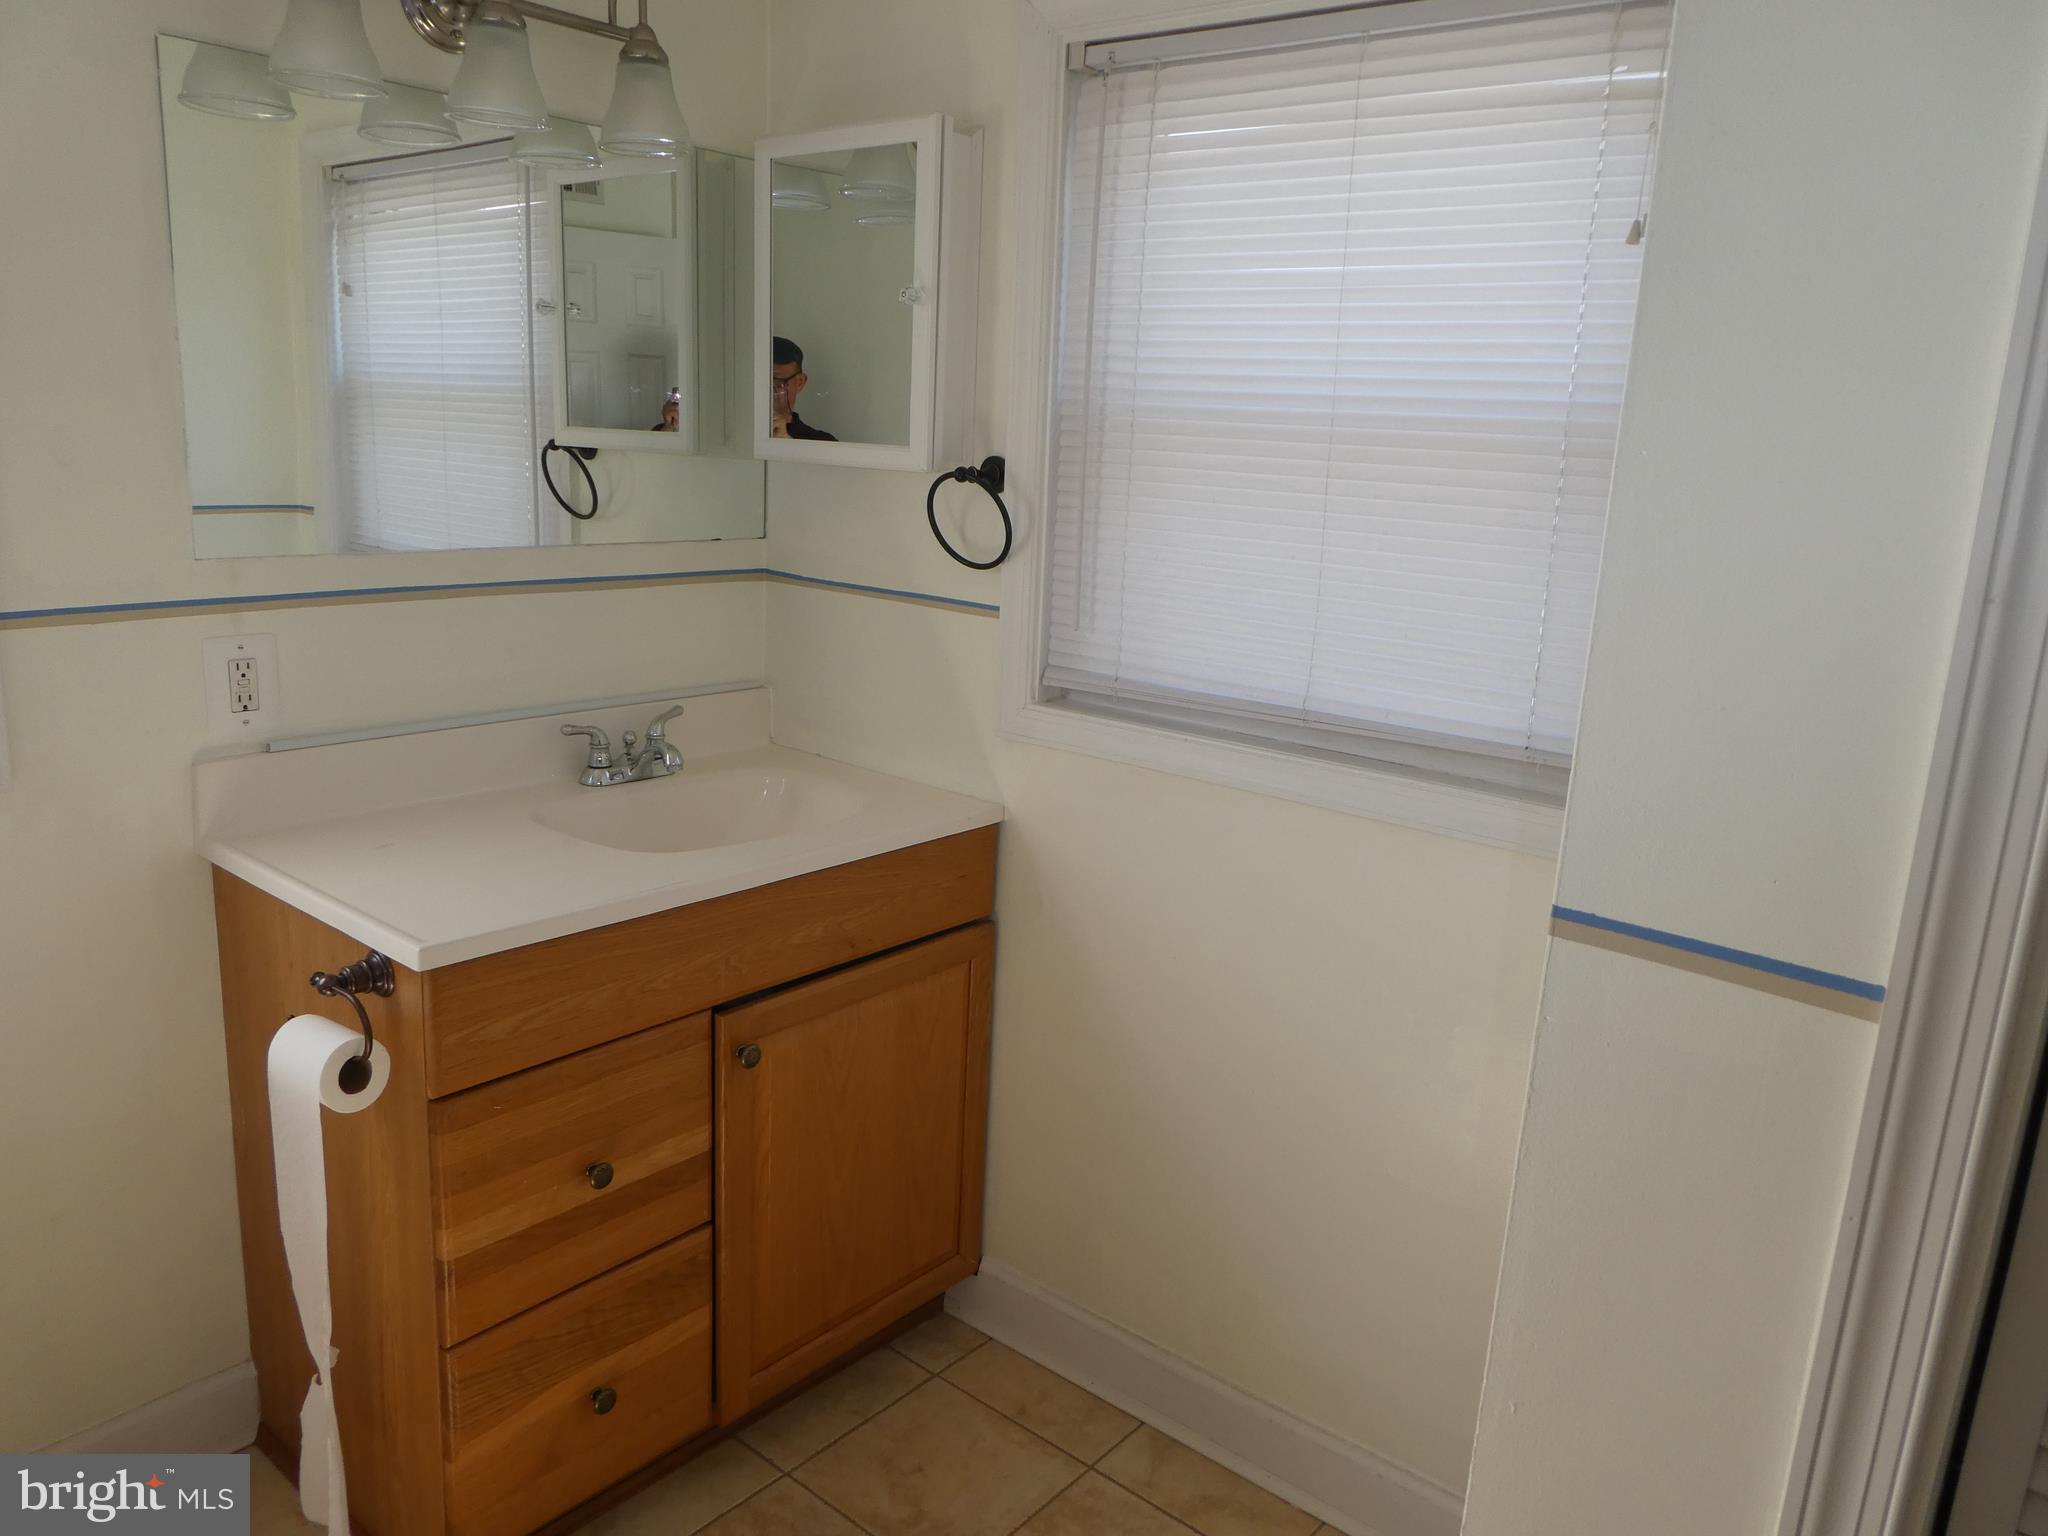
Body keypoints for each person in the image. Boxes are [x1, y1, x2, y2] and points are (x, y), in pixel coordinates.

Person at [771, 337, 837, 441]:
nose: (769, 390)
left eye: (778, 381)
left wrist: (786, 443)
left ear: (800, 382)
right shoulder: (738, 430)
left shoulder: (822, 443)